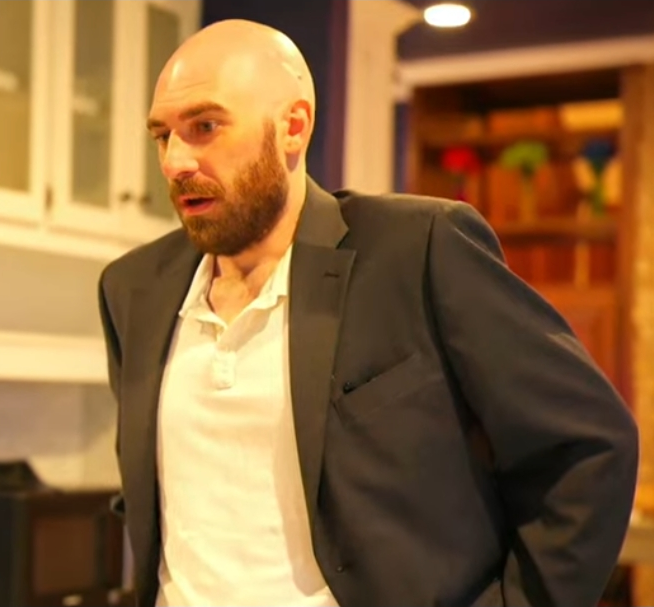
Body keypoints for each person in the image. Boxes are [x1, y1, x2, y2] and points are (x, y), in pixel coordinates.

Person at [97, 18, 638, 607]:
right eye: (162, 136)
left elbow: (589, 447)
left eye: (205, 126)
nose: (175, 161)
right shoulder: (133, 290)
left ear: (292, 128)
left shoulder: (418, 249)